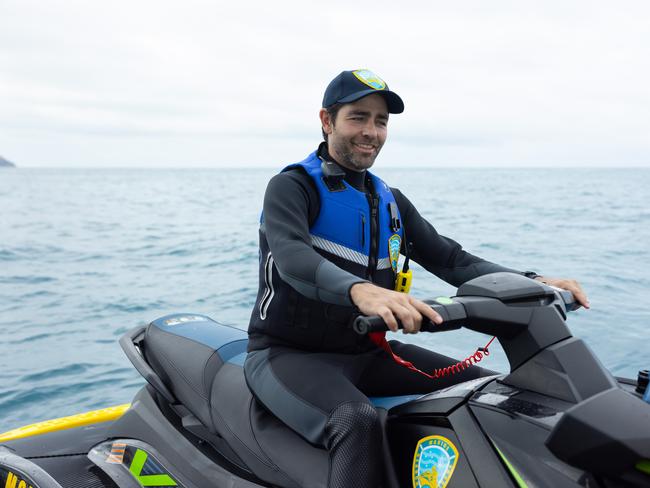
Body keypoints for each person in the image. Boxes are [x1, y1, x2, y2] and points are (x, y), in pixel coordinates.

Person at [244, 69, 588, 488]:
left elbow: (451, 259)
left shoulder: (386, 199)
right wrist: (361, 290)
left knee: (493, 392)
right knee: (356, 419)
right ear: (326, 120)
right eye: (358, 117)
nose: (371, 131)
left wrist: (533, 281)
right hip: (286, 355)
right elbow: (293, 257)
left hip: (368, 353)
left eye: (381, 121)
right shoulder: (293, 186)